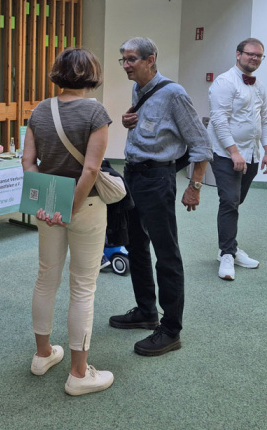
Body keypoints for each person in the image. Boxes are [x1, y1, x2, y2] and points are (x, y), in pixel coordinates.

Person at [109, 37, 212, 356]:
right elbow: (149, 129)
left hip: (157, 179)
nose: (126, 65)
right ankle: (146, 311)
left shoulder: (174, 93)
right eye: (123, 60)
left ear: (151, 59)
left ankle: (171, 329)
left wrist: (195, 186)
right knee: (136, 245)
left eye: (132, 59)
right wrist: (127, 122)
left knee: (166, 253)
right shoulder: (137, 89)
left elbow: (201, 144)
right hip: (133, 175)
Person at [23, 48, 114, 396]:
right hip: (85, 205)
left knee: (46, 278)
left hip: (48, 207)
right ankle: (79, 373)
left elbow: (28, 162)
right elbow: (91, 169)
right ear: (92, 74)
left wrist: (49, 204)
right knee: (83, 286)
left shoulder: (40, 110)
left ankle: (42, 354)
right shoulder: (96, 112)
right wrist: (71, 208)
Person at [208, 38, 267, 281]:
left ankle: (229, 247)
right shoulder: (225, 82)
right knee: (229, 201)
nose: (254, 58)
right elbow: (219, 120)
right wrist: (234, 151)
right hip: (226, 153)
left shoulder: (259, 86)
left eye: (259, 55)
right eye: (250, 54)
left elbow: (264, 119)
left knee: (236, 201)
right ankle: (227, 253)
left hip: (252, 153)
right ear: (238, 54)